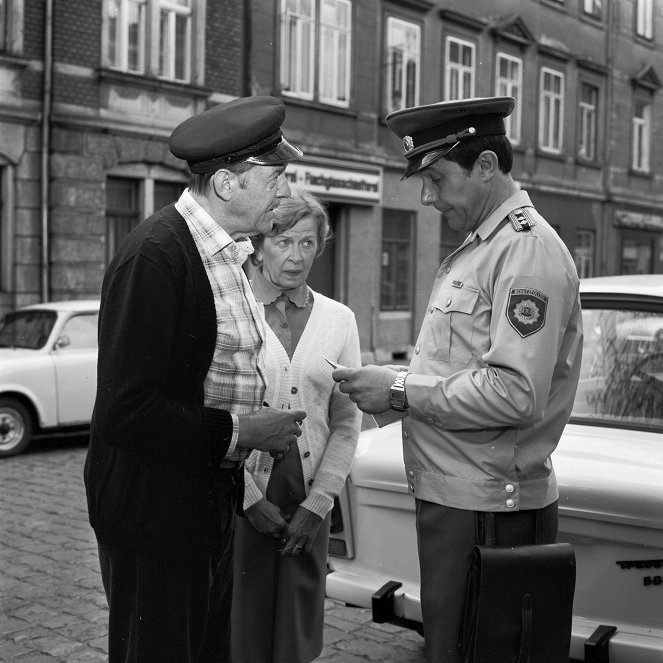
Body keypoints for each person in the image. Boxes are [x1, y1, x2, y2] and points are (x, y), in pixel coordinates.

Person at [332, 97, 583, 663]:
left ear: (487, 166)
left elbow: (515, 392)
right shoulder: (486, 247)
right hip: (463, 499)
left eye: (438, 178)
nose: (427, 196)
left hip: (489, 507)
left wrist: (398, 390)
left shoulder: (523, 251)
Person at [84, 96, 308, 663]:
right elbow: (126, 412)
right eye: (277, 177)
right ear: (229, 184)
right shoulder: (158, 256)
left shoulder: (222, 253)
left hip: (199, 502)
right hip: (155, 514)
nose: (285, 192)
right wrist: (243, 433)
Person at [231, 187, 362, 663]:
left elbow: (347, 421)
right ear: (258, 246)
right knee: (237, 627)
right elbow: (215, 410)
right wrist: (247, 499)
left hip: (309, 492)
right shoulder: (232, 312)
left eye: (307, 243)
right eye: (282, 241)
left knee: (296, 634)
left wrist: (320, 501)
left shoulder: (339, 320)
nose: (295, 256)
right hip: (240, 492)